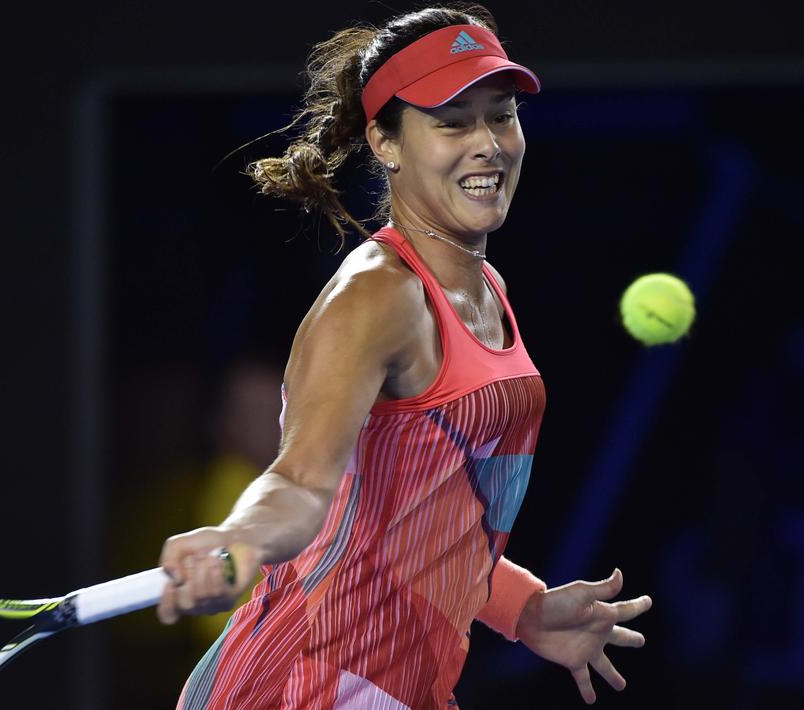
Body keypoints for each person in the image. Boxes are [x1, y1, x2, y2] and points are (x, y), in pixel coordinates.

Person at [156, 5, 652, 707]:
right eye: (452, 121)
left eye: (501, 115)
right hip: (305, 681)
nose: (487, 143)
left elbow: (418, 520)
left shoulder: (487, 287)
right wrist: (240, 537)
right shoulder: (374, 298)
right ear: (384, 142)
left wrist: (521, 608)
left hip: (402, 684)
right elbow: (299, 483)